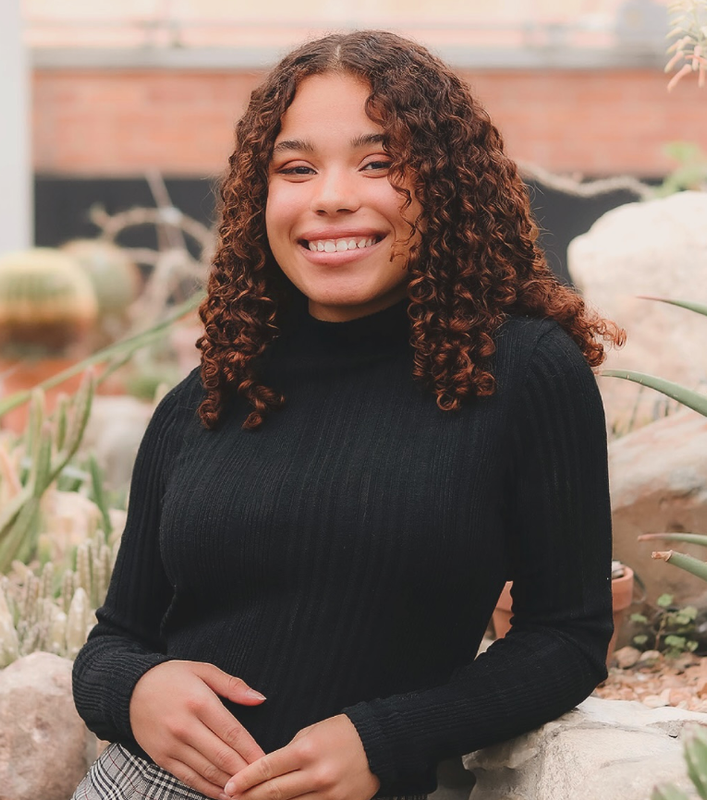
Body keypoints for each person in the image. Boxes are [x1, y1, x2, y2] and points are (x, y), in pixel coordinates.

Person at [71, 29, 623, 800]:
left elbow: (564, 638)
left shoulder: (521, 372)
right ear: (260, 198)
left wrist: (385, 738)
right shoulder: (207, 399)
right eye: (295, 168)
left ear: (446, 184)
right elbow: (114, 640)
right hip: (142, 787)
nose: (329, 195)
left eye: (379, 163)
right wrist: (134, 690)